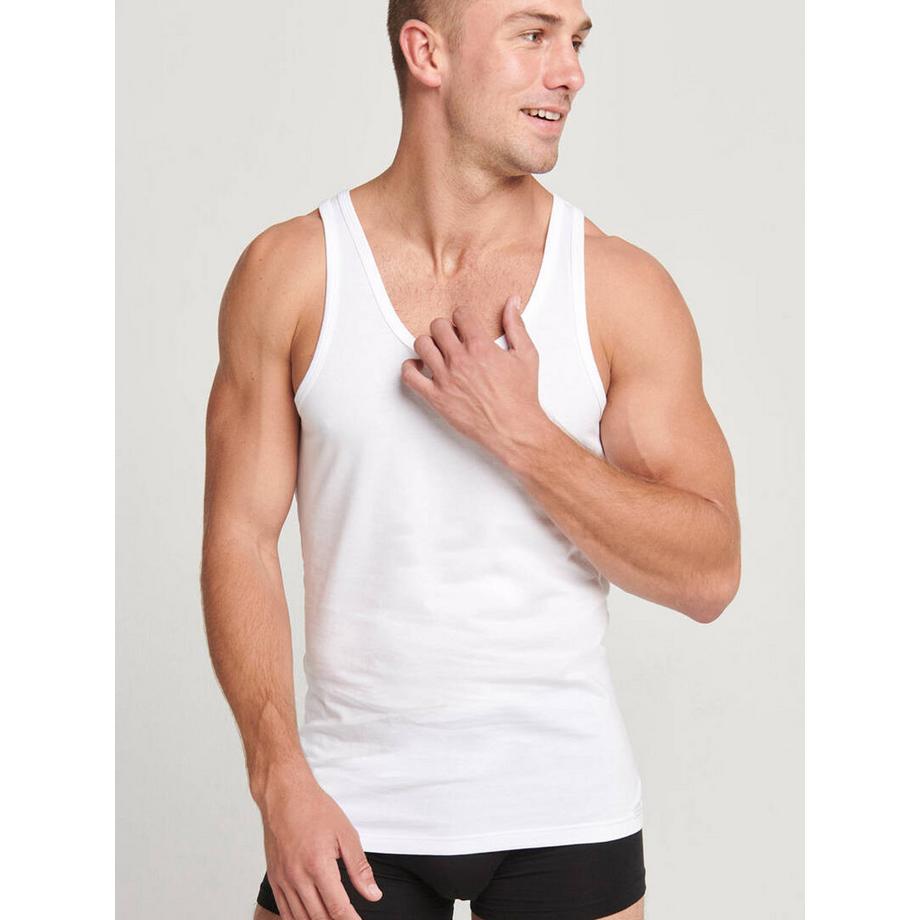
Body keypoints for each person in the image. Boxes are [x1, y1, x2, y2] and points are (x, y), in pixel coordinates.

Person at [200, 1, 741, 918]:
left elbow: (711, 574)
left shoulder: (617, 287)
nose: (570, 71)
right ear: (427, 52)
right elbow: (239, 539)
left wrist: (525, 437)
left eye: (576, 41)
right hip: (347, 804)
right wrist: (276, 776)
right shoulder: (292, 273)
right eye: (534, 35)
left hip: (566, 809)